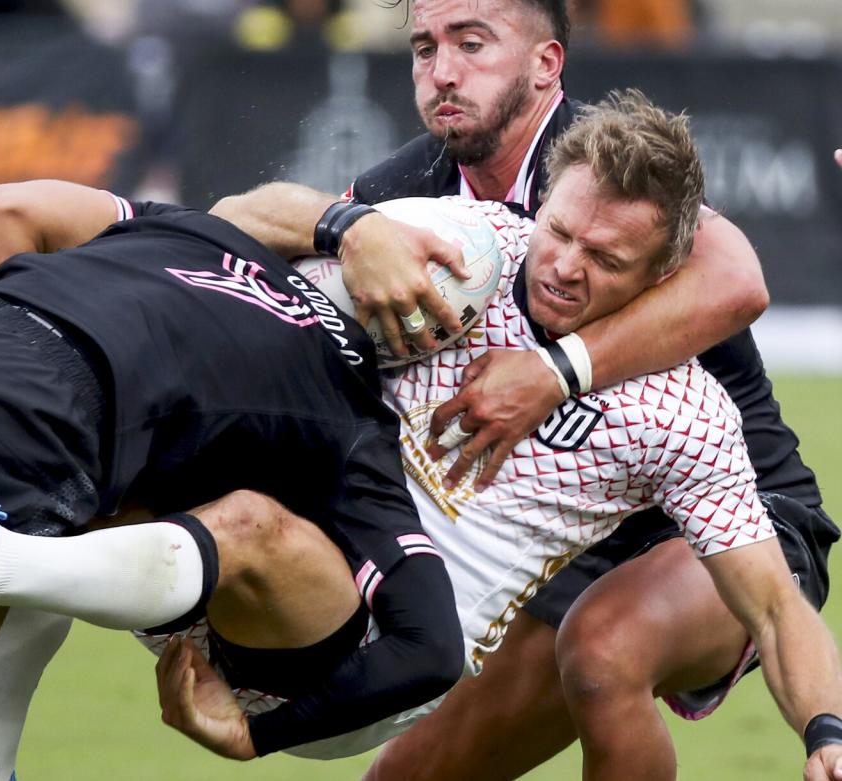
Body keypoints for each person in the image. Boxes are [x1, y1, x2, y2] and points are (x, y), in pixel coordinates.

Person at [0, 91, 842, 781]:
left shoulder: (685, 415)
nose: (561, 266)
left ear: (667, 269)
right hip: (251, 556)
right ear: (540, 203)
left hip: (375, 648)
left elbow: (773, 609)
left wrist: (828, 733)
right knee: (114, 431)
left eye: (606, 260)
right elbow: (234, 223)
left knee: (253, 523)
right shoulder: (475, 243)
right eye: (559, 231)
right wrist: (349, 227)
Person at [206, 1, 839, 779]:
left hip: (737, 521)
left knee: (606, 649)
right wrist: (345, 227)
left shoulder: (609, 168)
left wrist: (553, 372)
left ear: (545, 63)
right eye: (425, 47)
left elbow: (737, 278)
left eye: (472, 44)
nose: (443, 70)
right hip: (566, 542)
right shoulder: (406, 189)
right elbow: (241, 236)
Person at [0, 180, 466, 777]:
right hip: (30, 404)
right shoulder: (353, 414)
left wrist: (349, 224)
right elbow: (434, 650)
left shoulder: (207, 230)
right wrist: (255, 735)